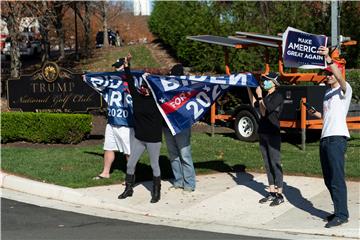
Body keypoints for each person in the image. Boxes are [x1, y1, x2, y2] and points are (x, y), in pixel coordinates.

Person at [308, 46, 352, 228]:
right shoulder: (327, 94)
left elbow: (340, 77)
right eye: (326, 74)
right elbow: (327, 117)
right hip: (325, 139)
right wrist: (315, 113)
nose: (327, 76)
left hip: (337, 139)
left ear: (337, 73)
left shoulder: (344, 89)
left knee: (336, 178)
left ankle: (342, 215)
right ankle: (338, 210)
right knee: (328, 178)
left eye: (330, 73)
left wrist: (328, 58)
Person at [118, 53, 163, 203]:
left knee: (155, 165)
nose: (143, 88)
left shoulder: (158, 100)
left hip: (153, 139)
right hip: (139, 138)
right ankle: (128, 189)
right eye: (142, 86)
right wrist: (127, 65)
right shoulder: (137, 98)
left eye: (146, 86)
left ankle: (156, 192)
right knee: (130, 164)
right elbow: (129, 81)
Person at [83, 58, 134, 180]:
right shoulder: (111, 82)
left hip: (126, 123)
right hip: (112, 121)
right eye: (115, 67)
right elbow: (98, 84)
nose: (116, 69)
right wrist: (87, 77)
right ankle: (105, 172)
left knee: (129, 151)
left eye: (119, 67)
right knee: (108, 147)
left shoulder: (132, 81)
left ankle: (131, 177)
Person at [247, 72, 284, 206]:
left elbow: (267, 108)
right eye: (264, 80)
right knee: (267, 164)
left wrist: (260, 95)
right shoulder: (266, 96)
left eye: (268, 80)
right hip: (263, 132)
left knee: (275, 163)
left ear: (274, 83)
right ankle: (272, 191)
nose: (264, 82)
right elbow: (255, 105)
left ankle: (279, 194)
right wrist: (248, 88)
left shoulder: (277, 96)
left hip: (273, 133)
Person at [163, 64, 196, 192]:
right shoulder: (164, 86)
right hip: (167, 125)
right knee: (173, 154)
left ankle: (189, 183)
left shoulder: (186, 87)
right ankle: (178, 181)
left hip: (182, 126)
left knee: (184, 154)